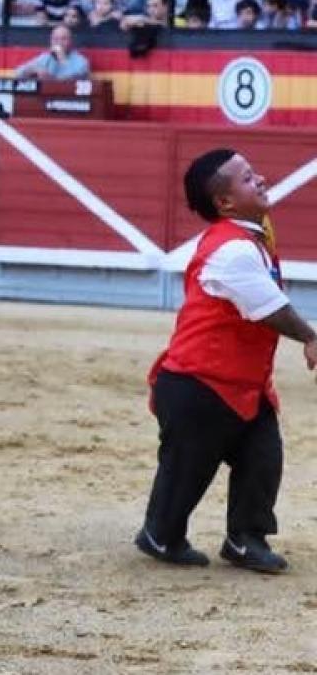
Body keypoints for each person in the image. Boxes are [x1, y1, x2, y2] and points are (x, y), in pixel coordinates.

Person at [137, 149, 317, 573]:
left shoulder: (248, 236)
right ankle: (160, 535)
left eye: (255, 172)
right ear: (225, 203)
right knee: (188, 467)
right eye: (247, 178)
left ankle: (245, 538)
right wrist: (309, 336)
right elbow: (268, 308)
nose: (260, 180)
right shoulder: (232, 250)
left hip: (240, 382)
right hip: (197, 384)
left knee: (263, 455)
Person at [13, 24, 91, 79]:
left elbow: (69, 81)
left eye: (63, 39)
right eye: (55, 39)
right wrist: (32, 70)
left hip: (71, 99)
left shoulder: (81, 61)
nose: (59, 42)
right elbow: (17, 73)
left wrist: (62, 59)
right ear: (51, 41)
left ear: (70, 41)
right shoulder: (45, 57)